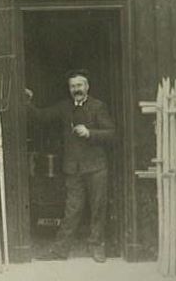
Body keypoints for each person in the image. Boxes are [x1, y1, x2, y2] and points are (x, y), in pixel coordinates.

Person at [25, 69, 115, 263]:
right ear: (69, 89)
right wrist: (27, 102)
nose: (76, 89)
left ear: (87, 87)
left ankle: (97, 247)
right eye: (73, 86)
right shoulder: (64, 107)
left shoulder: (98, 106)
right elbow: (41, 117)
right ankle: (60, 250)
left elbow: (111, 134)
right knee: (72, 210)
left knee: (98, 208)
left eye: (80, 85)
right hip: (73, 169)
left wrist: (90, 132)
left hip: (96, 168)